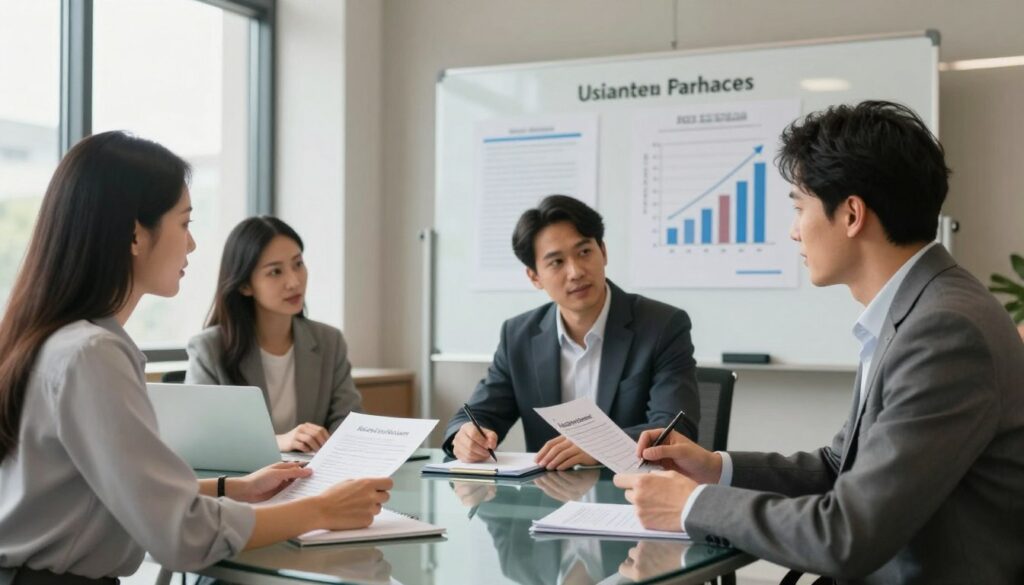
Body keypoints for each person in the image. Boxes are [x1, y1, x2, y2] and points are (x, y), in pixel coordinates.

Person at [614, 101, 1024, 584]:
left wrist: (692, 505)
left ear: (851, 214)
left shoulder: (945, 331)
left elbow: (847, 534)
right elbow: (839, 466)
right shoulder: (920, 309)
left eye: (798, 206)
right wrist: (714, 469)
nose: (793, 231)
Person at [0, 131, 391, 581]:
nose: (193, 245)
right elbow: (184, 534)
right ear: (134, 233)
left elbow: (100, 490)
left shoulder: (56, 339)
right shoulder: (92, 355)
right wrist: (321, 509)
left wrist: (234, 488)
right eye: (185, 223)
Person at [442, 195, 699, 470]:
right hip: (549, 499)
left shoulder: (662, 325)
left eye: (584, 252)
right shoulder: (518, 336)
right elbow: (479, 413)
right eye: (556, 262)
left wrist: (599, 445)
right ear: (534, 277)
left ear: (604, 251)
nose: (575, 272)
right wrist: (466, 434)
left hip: (635, 496)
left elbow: (675, 428)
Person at [186, 216, 362, 453]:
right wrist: (277, 442)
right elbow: (202, 437)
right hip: (243, 484)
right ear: (244, 285)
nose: (294, 281)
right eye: (275, 272)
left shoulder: (330, 342)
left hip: (314, 479)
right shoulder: (209, 349)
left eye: (298, 264)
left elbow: (349, 424)